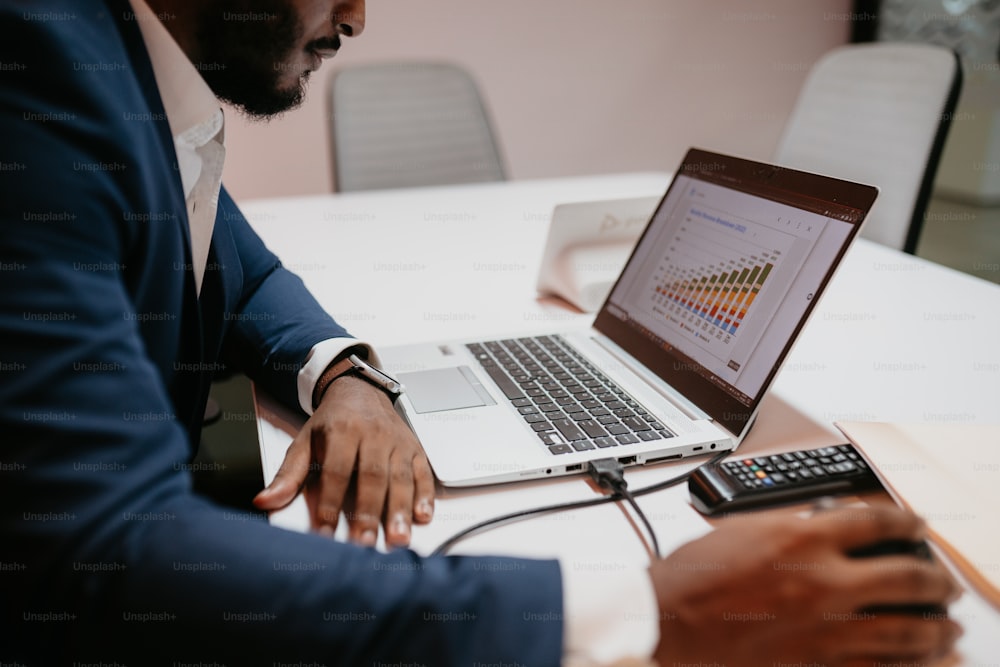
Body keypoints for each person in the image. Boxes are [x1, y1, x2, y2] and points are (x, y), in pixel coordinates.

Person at [0, 0, 962, 664]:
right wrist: (652, 614)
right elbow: (98, 550)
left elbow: (235, 269)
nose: (357, 18)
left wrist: (348, 377)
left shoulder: (119, 68)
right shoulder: (40, 65)